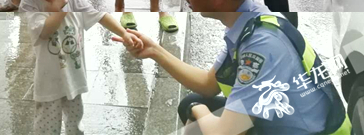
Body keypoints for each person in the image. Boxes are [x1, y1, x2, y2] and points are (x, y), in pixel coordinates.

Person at [115, 15, 351, 135]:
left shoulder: (261, 45)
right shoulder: (251, 23)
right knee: (191, 104)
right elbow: (209, 84)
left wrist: (197, 108)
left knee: (196, 112)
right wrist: (155, 50)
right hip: (285, 121)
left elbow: (225, 133)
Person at [19, 0, 142, 135]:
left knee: (75, 120)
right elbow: (43, 32)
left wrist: (124, 33)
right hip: (49, 78)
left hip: (73, 72)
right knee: (46, 126)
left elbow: (98, 15)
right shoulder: (30, 3)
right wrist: (58, 10)